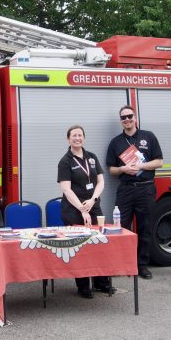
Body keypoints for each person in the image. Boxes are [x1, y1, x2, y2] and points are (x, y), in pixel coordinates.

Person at [106, 105, 163, 280]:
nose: (127, 119)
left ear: (135, 117)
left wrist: (140, 166)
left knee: (145, 227)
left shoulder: (148, 136)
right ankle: (122, 264)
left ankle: (142, 266)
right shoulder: (116, 142)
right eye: (123, 117)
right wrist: (123, 168)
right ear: (120, 121)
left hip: (145, 188)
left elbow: (159, 162)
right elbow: (111, 170)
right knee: (121, 227)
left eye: (130, 116)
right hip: (126, 190)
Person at [57, 125, 114, 299]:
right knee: (80, 248)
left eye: (80, 135)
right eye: (74, 135)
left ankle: (101, 283)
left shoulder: (91, 158)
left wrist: (93, 200)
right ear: (68, 139)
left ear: (84, 138)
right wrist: (82, 209)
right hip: (74, 210)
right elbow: (66, 189)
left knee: (98, 244)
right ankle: (83, 286)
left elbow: (101, 182)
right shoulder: (65, 161)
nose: (77, 138)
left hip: (93, 206)